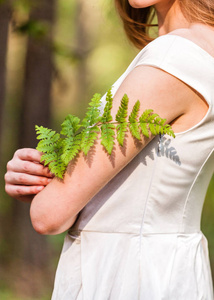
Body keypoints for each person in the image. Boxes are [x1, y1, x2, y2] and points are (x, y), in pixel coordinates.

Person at [4, 0, 214, 299]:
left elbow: (49, 215)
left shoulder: (174, 57)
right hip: (167, 268)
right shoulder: (201, 49)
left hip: (127, 274)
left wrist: (48, 195)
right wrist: (40, 177)